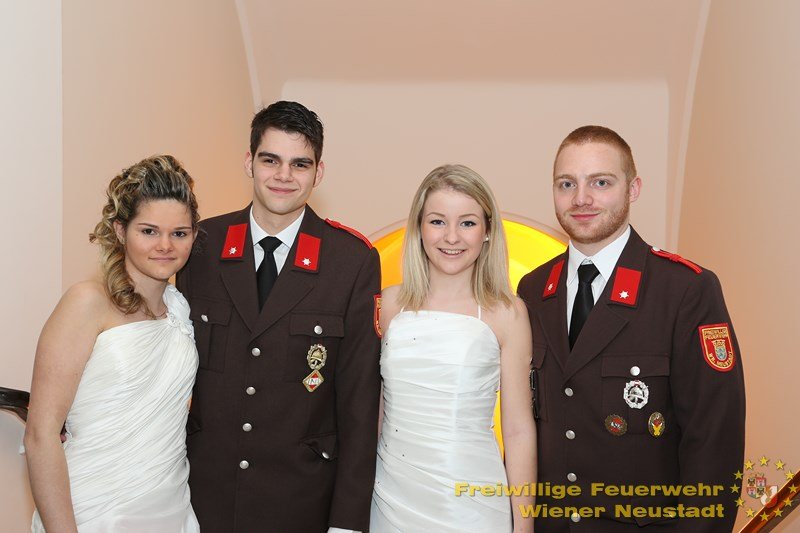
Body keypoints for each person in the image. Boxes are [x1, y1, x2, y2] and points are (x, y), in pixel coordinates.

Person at [517, 126, 745, 532]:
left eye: (600, 182)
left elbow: (713, 441)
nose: (581, 198)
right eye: (566, 184)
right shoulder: (533, 290)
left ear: (633, 189)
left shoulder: (684, 290)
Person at [176, 101, 382, 532]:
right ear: (248, 162)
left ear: (318, 173)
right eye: (270, 160)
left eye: (299, 164)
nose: (284, 175)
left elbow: (359, 403)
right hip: (204, 495)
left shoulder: (350, 260)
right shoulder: (201, 245)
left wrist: (347, 521)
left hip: (300, 501)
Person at [25, 155, 201, 532]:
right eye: (149, 231)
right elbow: (41, 434)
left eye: (179, 233)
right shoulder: (86, 302)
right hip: (93, 510)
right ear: (121, 231)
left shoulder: (181, 310)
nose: (165, 246)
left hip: (170, 506)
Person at [371, 164, 536, 532]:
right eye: (437, 221)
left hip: (472, 503)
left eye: (467, 223)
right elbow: (375, 411)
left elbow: (518, 430)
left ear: (488, 231)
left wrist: (524, 527)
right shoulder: (389, 304)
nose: (451, 237)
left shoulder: (507, 313)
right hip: (391, 498)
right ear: (418, 228)